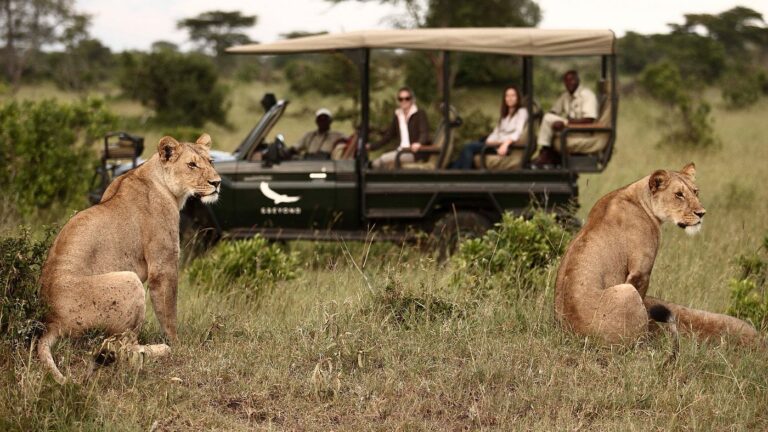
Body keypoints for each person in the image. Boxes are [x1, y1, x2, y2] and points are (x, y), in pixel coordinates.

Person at [531, 70, 598, 168]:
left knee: (548, 119)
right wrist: (552, 119)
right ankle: (548, 155)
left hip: (581, 131)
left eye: (572, 80)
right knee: (548, 118)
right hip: (568, 129)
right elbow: (553, 111)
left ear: (578, 80)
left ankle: (545, 152)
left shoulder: (587, 95)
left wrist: (566, 123)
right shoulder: (566, 96)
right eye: (566, 81)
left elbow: (589, 120)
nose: (569, 83)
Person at [451, 85, 528, 169]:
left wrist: (506, 144)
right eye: (507, 96)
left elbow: (518, 132)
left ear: (518, 98)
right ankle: (452, 172)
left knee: (468, 147)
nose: (510, 98)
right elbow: (496, 132)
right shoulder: (505, 115)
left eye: (513, 95)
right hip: (493, 144)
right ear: (504, 98)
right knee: (466, 151)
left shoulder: (522, 112)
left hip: (502, 147)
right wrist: (489, 141)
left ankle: (464, 176)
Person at [368, 87, 430, 169]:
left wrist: (419, 143)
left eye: (407, 98)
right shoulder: (398, 115)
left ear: (412, 100)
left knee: (382, 159)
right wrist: (371, 147)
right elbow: (388, 136)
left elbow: (424, 132)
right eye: (401, 99)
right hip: (401, 151)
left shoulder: (419, 114)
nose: (404, 101)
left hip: (413, 153)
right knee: (375, 163)